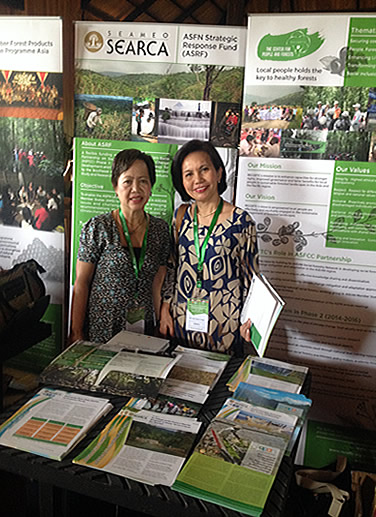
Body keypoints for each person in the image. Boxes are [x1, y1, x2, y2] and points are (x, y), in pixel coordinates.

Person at [160, 140, 259, 353]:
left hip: (226, 326)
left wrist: (251, 320)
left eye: (204, 169)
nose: (198, 179)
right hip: (182, 321)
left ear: (219, 173)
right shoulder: (181, 216)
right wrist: (165, 308)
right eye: (189, 174)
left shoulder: (241, 221)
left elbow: (252, 278)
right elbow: (172, 267)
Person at [70, 148, 170, 344]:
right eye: (127, 182)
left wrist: (159, 323)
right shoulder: (98, 227)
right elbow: (82, 282)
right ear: (116, 187)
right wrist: (76, 331)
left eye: (143, 181)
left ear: (151, 186)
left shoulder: (160, 230)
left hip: (144, 327)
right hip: (103, 329)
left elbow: (159, 280)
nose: (136, 189)